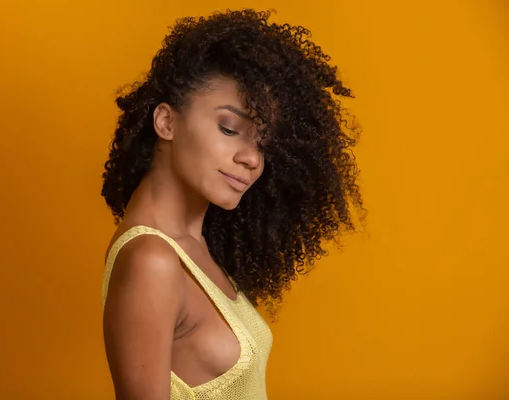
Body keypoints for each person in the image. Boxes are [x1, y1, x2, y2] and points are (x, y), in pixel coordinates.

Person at [100, 9, 364, 400]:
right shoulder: (151, 261)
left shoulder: (196, 248)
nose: (252, 158)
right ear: (166, 122)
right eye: (229, 129)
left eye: (262, 144)